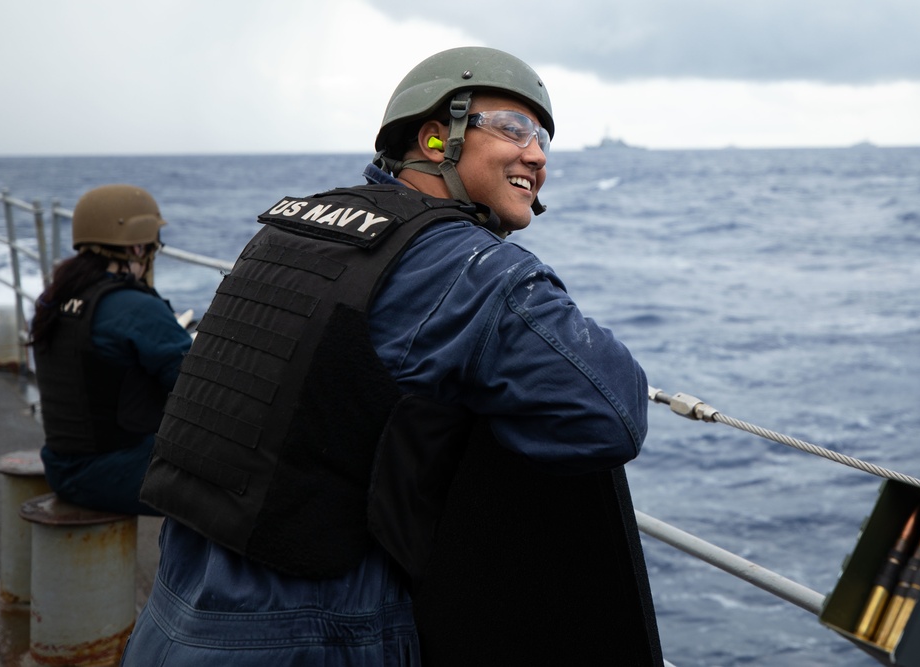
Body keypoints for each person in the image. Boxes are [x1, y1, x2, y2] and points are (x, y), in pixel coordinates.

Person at [121, 47, 663, 666]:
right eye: (513, 129)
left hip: (173, 605)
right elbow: (613, 413)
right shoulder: (466, 263)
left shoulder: (293, 227)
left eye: (542, 138)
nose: (537, 155)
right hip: (310, 632)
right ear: (437, 140)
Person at [30, 184, 192, 516]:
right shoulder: (133, 306)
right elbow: (197, 388)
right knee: (238, 488)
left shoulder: (55, 297)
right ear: (137, 246)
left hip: (61, 466)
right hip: (114, 473)